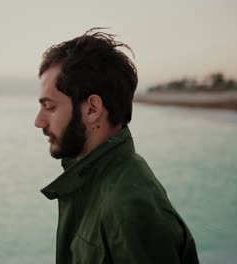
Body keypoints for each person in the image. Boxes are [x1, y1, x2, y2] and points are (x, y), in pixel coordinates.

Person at [34, 28, 199, 264]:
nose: (39, 121)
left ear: (92, 109)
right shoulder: (93, 178)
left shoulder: (129, 204)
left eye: (49, 107)